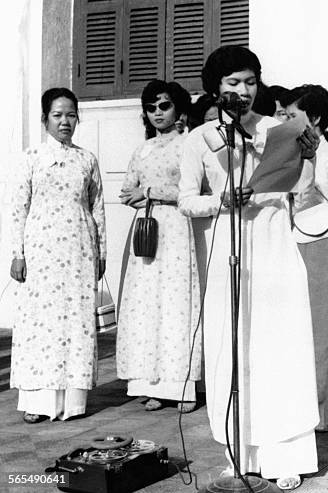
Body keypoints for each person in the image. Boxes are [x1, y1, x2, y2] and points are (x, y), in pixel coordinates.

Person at [178, 46, 319, 490]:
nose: (243, 90)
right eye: (233, 82)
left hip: (275, 248)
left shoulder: (278, 129)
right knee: (234, 348)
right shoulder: (199, 138)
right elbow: (186, 200)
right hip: (229, 250)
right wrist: (219, 202)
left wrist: (309, 156)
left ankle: (285, 455)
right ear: (215, 88)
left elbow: (305, 190)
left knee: (279, 348)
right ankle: (241, 452)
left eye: (250, 81)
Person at [9, 87, 106, 423]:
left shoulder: (87, 159)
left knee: (76, 323)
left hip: (80, 251)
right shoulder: (31, 157)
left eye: (71, 115)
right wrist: (17, 253)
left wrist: (100, 251)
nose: (65, 122)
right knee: (41, 323)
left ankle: (73, 403)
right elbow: (18, 207)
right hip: (41, 252)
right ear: (44, 119)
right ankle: (37, 403)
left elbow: (97, 208)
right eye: (57, 115)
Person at [116, 80, 200, 413]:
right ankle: (150, 385)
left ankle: (181, 387)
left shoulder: (189, 145)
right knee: (146, 304)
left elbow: (193, 190)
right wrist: (141, 197)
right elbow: (126, 190)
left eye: (164, 106)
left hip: (178, 228)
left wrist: (152, 193)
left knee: (176, 302)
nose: (157, 113)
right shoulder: (143, 150)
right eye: (151, 108)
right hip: (149, 230)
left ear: (178, 108)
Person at [284, 84, 328, 432]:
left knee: (324, 330)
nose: (284, 120)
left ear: (314, 118)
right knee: (300, 330)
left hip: (325, 250)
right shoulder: (289, 153)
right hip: (296, 249)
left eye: (292, 115)